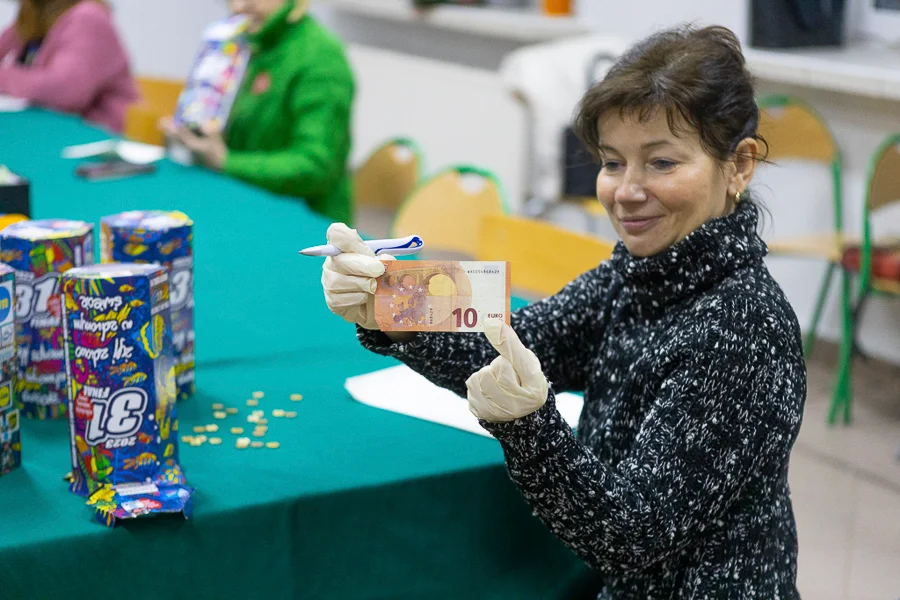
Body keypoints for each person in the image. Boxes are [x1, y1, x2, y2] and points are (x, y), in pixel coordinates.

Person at [320, 25, 806, 599]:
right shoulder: (642, 272)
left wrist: (531, 427)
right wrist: (389, 296)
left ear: (739, 166)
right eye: (612, 162)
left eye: (662, 163)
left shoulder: (741, 328)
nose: (626, 191)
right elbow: (510, 337)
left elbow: (628, 531)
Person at [163, 0, 354, 224]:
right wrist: (193, 134)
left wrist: (225, 161)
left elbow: (315, 166)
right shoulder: (244, 43)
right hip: (241, 198)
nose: (237, 7)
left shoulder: (321, 59)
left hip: (304, 221)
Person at [0, 0, 138, 133]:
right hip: (49, 129)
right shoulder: (36, 17)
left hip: (99, 138)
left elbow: (63, 92)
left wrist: (5, 77)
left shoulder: (88, 17)